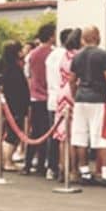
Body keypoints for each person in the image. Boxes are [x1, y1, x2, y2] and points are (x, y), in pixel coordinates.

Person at [69, 26, 106, 183]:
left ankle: (84, 172)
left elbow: (72, 80)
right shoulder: (103, 55)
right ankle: (105, 173)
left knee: (80, 137)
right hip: (99, 99)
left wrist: (74, 95)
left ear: (83, 38)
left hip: (80, 99)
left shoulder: (77, 57)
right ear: (97, 37)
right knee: (103, 137)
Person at [0, 42, 29, 171]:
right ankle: (7, 161)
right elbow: (21, 89)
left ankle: (6, 160)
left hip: (9, 104)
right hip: (16, 105)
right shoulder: (15, 70)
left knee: (10, 133)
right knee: (13, 134)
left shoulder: (4, 67)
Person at [24, 23, 55, 174]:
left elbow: (28, 75)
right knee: (47, 132)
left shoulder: (31, 55)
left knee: (35, 132)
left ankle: (28, 163)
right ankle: (42, 164)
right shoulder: (53, 53)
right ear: (51, 37)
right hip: (47, 97)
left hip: (35, 96)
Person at [44, 28, 72, 179]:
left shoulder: (51, 56)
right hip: (65, 99)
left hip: (52, 97)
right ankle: (65, 167)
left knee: (53, 135)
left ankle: (52, 167)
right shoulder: (67, 56)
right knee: (65, 136)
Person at [53, 28, 81, 174]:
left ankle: (62, 167)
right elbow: (75, 78)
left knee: (63, 135)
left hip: (62, 92)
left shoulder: (64, 55)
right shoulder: (78, 56)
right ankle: (73, 170)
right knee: (73, 135)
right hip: (73, 92)